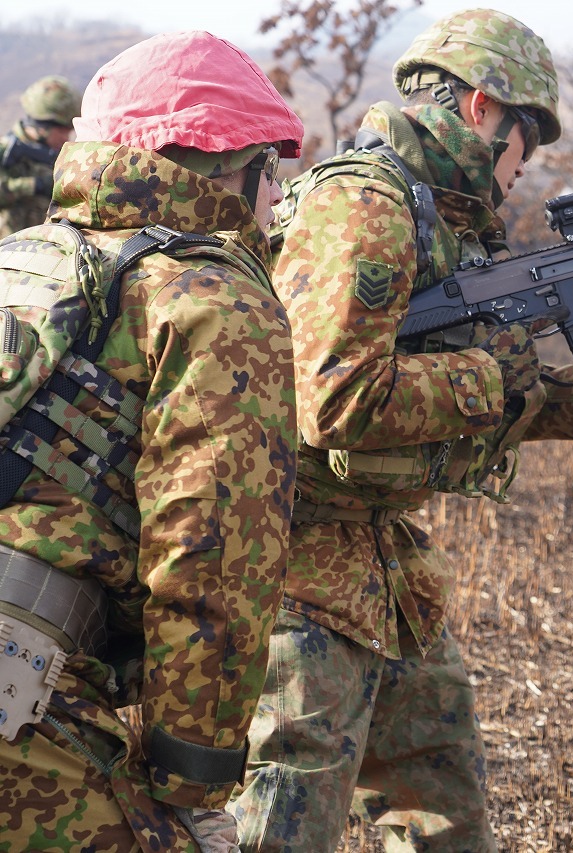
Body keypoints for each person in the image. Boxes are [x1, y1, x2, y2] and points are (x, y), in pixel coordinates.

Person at [227, 8, 573, 851]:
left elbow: (483, 401)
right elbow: (330, 401)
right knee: (279, 828)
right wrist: (494, 373)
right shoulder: (363, 206)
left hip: (388, 572)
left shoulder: (443, 222)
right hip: (301, 572)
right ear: (483, 109)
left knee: (444, 820)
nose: (527, 164)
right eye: (528, 137)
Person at [0, 31, 303, 851]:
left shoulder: (22, 258)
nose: (279, 195)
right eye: (271, 166)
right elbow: (213, 565)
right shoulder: (214, 299)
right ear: (217, 167)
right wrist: (188, 784)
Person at [0, 75, 82, 237]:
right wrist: (35, 185)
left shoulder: (55, 152)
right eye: (63, 131)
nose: (67, 137)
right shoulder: (6, 153)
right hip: (9, 248)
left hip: (48, 247)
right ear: (43, 127)